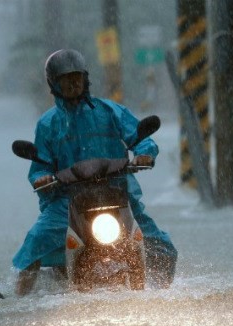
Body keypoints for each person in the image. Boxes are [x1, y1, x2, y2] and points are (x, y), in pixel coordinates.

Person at [12, 49, 177, 297]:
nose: (73, 83)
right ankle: (18, 298)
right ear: (53, 83)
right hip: (67, 200)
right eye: (65, 79)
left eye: (77, 77)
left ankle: (162, 293)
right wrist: (41, 178)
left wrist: (145, 154)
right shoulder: (47, 124)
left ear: (86, 78)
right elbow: (40, 166)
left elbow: (139, 137)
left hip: (116, 190)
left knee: (162, 247)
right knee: (37, 240)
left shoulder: (110, 111)